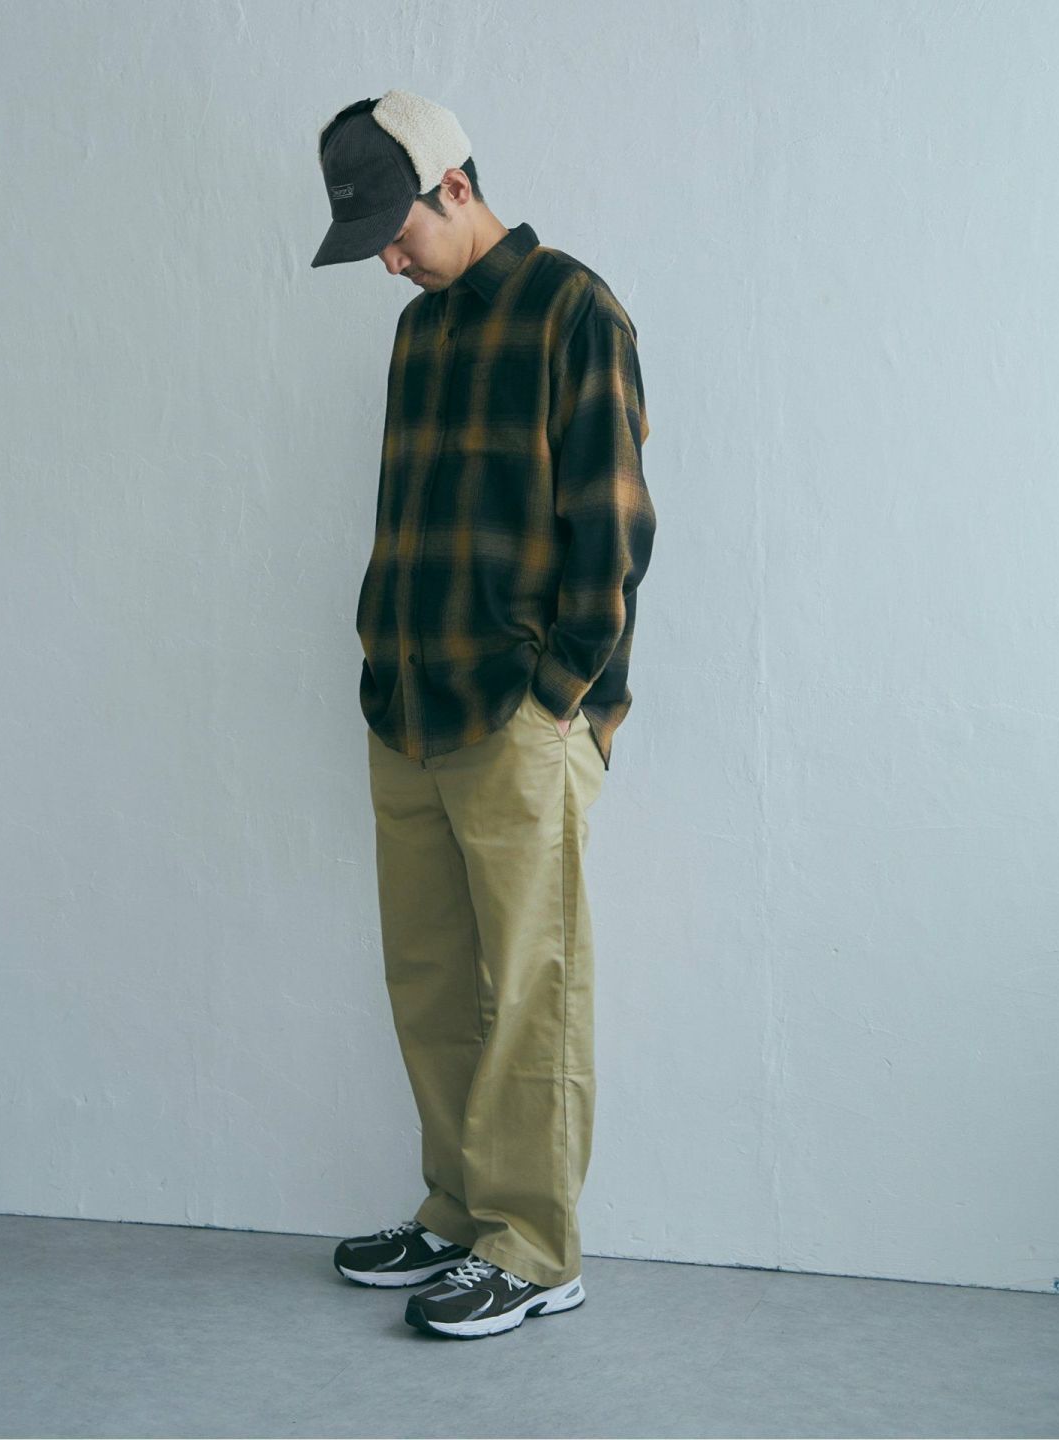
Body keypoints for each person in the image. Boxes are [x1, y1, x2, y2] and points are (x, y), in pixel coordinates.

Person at [311, 88, 656, 1340]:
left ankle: (535, 1245)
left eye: (396, 233)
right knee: (431, 980)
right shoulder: (420, 334)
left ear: (453, 185)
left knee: (530, 988)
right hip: (407, 705)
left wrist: (562, 697)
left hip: (519, 715)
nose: (389, 264)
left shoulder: (574, 310)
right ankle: (459, 1210)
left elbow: (613, 530)